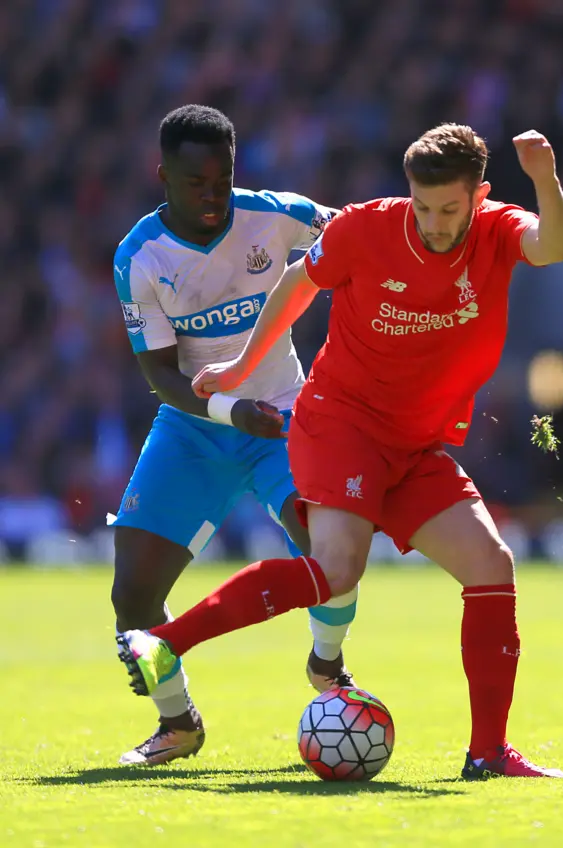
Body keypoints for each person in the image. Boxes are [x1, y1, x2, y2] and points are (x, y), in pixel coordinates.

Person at [117, 123, 563, 778]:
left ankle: (487, 754)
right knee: (336, 569)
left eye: (449, 210)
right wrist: (244, 365)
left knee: (491, 566)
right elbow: (299, 282)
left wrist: (546, 178)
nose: (434, 224)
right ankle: (163, 643)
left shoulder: (500, 229)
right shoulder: (367, 228)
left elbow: (554, 244)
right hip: (343, 423)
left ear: (480, 196)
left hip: (417, 442)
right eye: (422, 207)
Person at [111, 104, 360, 767]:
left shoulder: (277, 214)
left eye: (222, 179)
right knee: (132, 592)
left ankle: (327, 669)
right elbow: (162, 377)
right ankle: (179, 723)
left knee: (327, 545)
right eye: (196, 183)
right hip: (196, 426)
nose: (213, 196)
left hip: (283, 416)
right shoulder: (140, 257)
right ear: (162, 176)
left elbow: (362, 237)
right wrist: (228, 411)